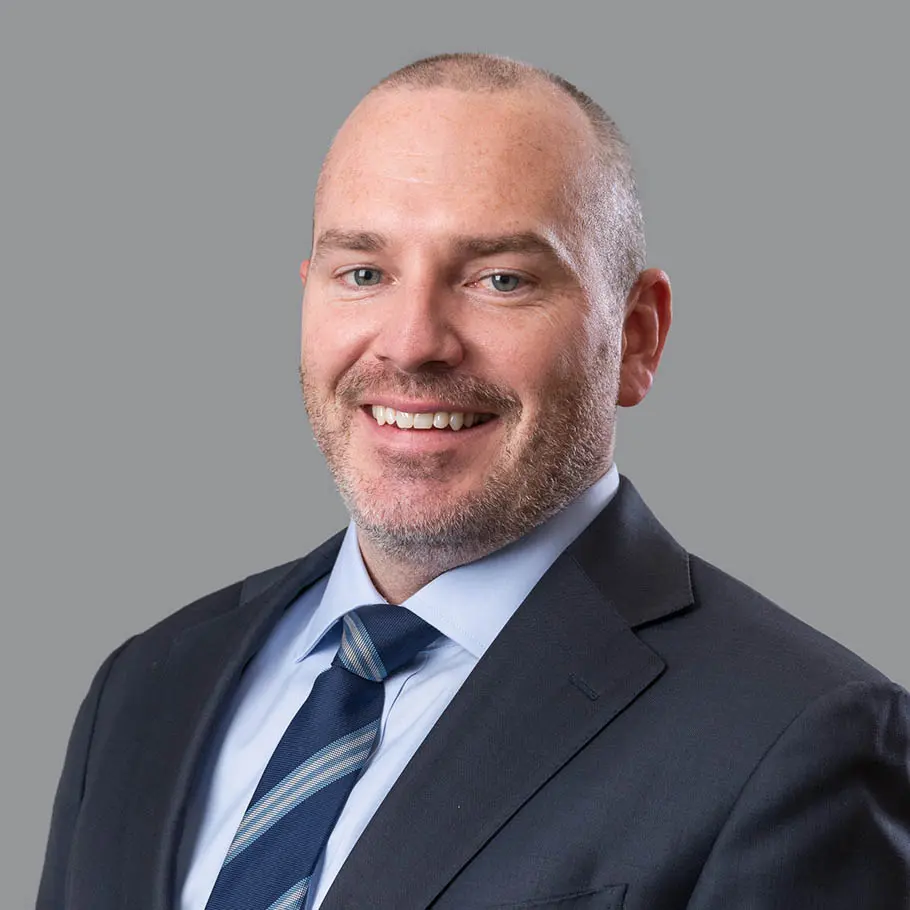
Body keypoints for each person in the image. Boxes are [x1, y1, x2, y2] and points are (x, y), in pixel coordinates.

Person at [38, 53, 909, 910]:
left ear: (637, 337)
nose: (413, 342)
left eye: (500, 279)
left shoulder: (795, 737)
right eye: (365, 273)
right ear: (308, 296)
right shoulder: (147, 686)